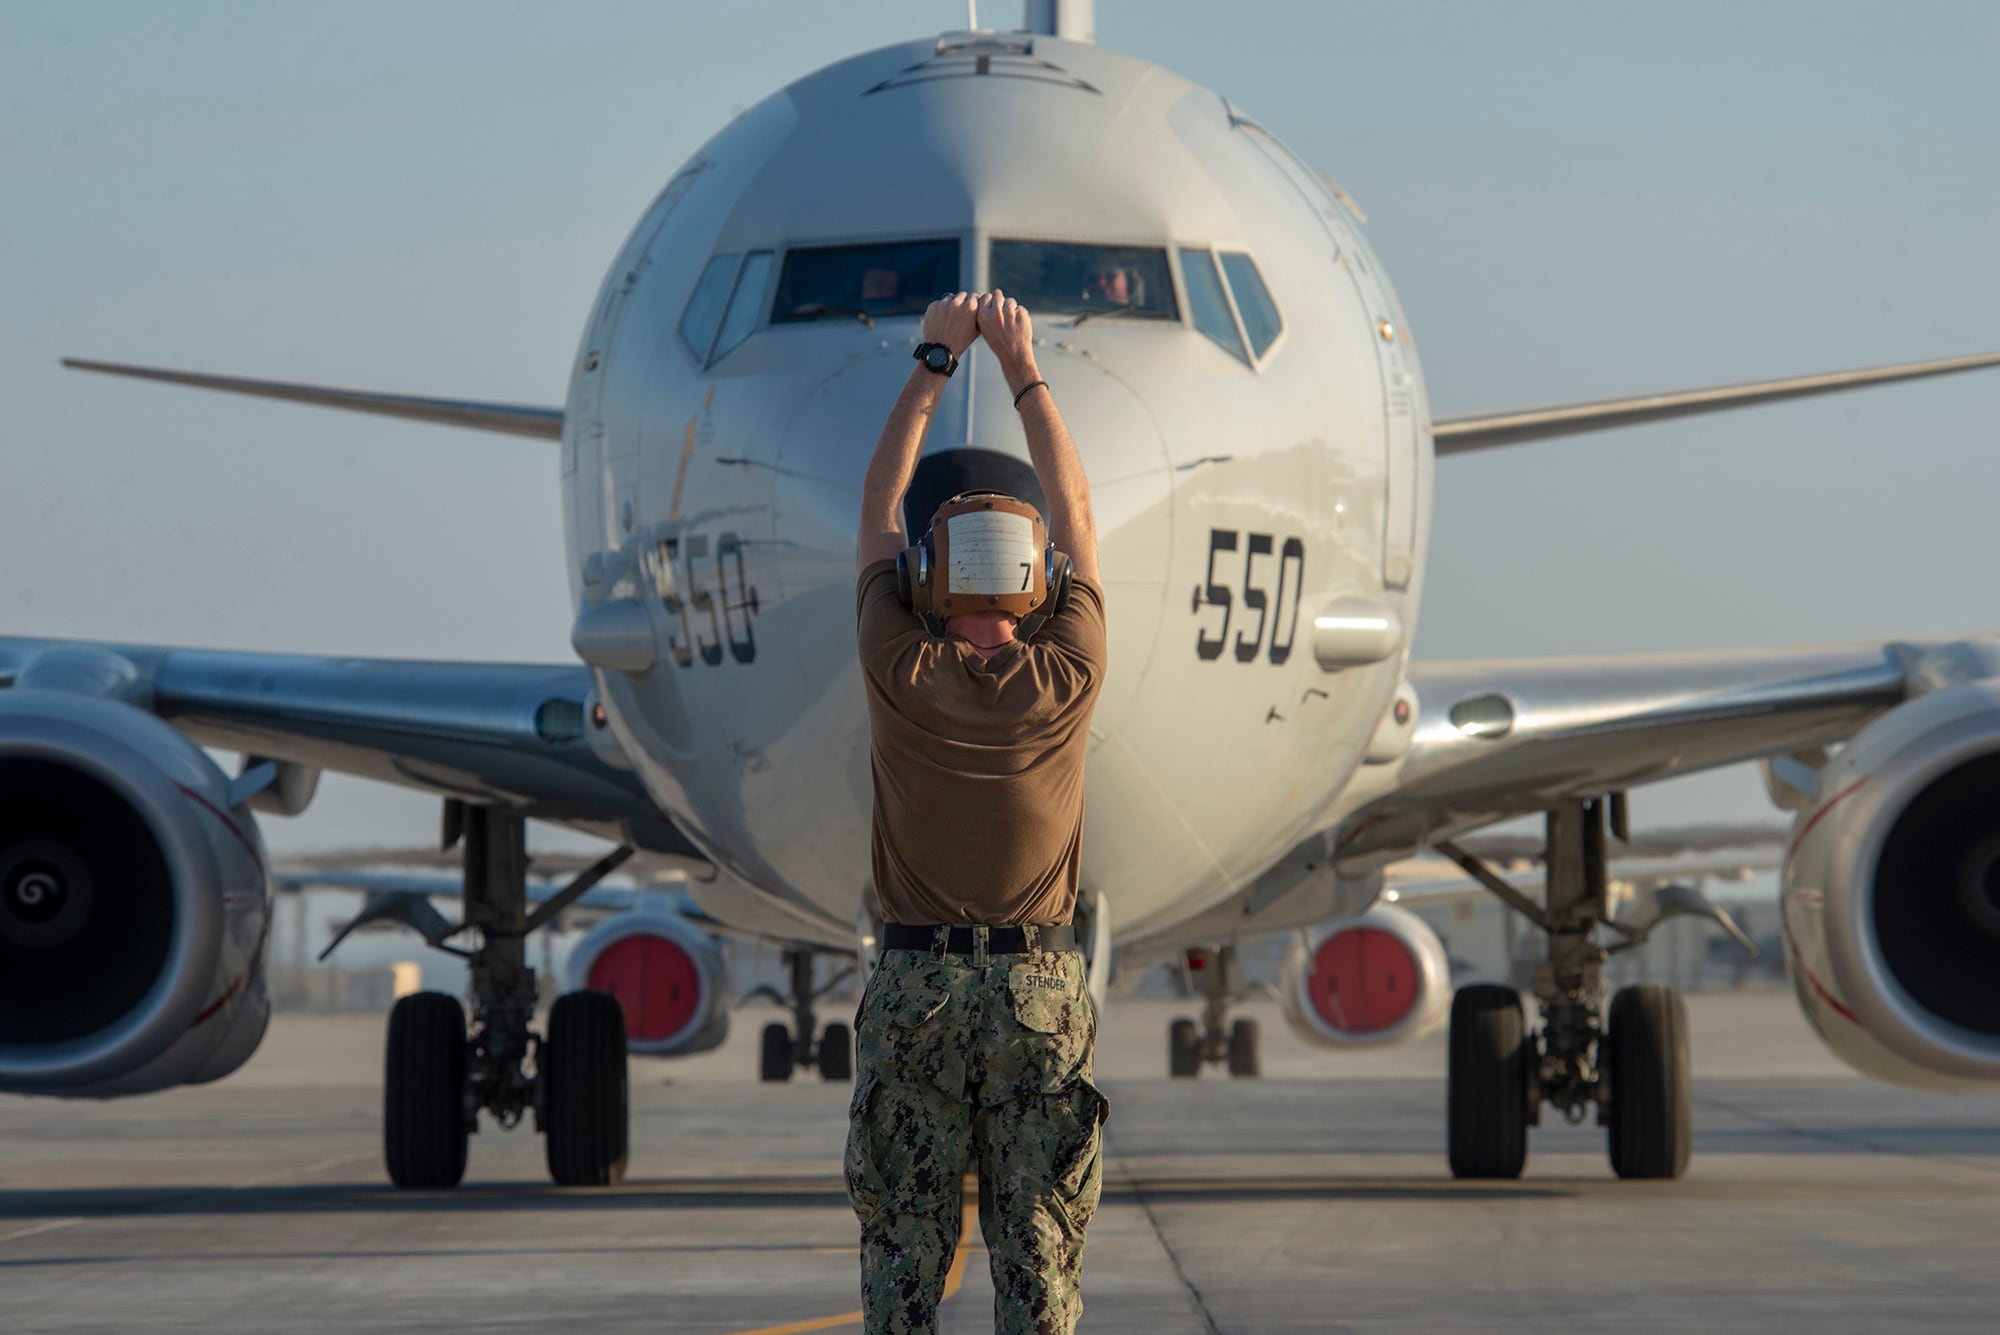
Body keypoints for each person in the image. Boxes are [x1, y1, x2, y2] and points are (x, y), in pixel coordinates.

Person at [847, 289, 1108, 1335]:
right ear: (1038, 586)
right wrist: (1022, 365)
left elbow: (875, 505)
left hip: (914, 992)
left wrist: (935, 361)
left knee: (903, 1262)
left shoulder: (897, 666)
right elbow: (1079, 521)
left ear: (922, 580)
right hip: (1036, 991)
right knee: (1038, 1261)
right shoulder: (1068, 672)